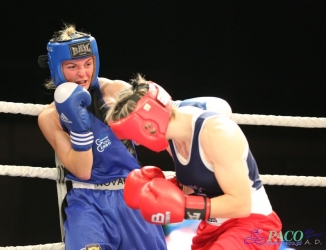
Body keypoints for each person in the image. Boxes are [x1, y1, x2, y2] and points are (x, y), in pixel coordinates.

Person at [105, 74, 283, 250]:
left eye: (134, 136)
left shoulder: (217, 134)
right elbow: (196, 184)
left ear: (149, 126)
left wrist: (183, 207)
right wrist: (166, 189)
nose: (136, 143)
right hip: (212, 227)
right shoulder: (171, 135)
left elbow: (241, 205)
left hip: (254, 226)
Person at [37, 24, 168, 250]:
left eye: (88, 64)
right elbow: (82, 171)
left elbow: (163, 131)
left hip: (132, 196)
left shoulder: (115, 92)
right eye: (72, 66)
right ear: (57, 69)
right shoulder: (50, 117)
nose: (82, 73)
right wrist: (79, 128)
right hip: (88, 202)